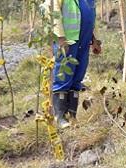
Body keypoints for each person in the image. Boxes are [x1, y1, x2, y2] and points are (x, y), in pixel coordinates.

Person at [46, 0, 102, 129]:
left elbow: (87, 20)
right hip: (67, 41)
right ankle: (60, 117)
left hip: (84, 40)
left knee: (78, 75)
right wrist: (60, 39)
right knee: (64, 75)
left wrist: (94, 41)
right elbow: (54, 14)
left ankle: (72, 116)